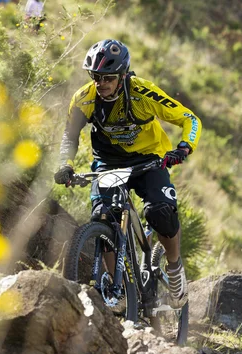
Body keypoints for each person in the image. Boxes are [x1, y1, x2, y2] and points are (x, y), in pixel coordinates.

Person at [53, 39, 202, 309]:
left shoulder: (143, 93)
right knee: (103, 217)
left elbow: (190, 119)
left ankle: (174, 266)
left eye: (108, 78)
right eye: (96, 77)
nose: (101, 83)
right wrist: (66, 164)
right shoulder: (84, 98)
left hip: (148, 159)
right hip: (108, 163)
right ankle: (117, 288)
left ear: (123, 75)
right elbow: (70, 135)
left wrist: (183, 147)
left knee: (160, 212)